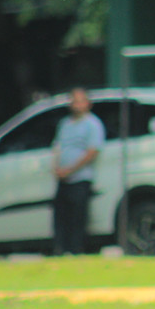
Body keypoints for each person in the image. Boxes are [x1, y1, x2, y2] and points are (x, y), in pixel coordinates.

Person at [51, 87, 105, 255]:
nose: (76, 104)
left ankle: (77, 251)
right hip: (63, 180)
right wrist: (57, 168)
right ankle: (61, 250)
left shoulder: (92, 124)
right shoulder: (65, 124)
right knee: (61, 217)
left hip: (80, 178)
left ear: (88, 103)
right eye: (73, 100)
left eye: (80, 100)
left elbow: (92, 151)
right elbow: (58, 147)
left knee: (78, 219)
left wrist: (71, 169)